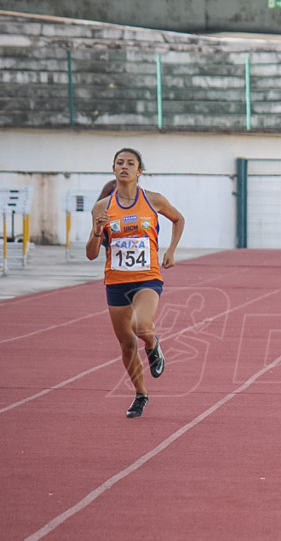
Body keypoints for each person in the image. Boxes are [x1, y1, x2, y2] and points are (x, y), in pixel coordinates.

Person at [86, 148, 185, 418]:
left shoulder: (153, 200)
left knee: (142, 326)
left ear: (140, 170)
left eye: (131, 163)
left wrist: (171, 250)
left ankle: (153, 346)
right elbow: (92, 253)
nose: (125, 167)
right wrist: (97, 230)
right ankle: (140, 394)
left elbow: (179, 219)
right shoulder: (102, 207)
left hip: (147, 277)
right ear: (113, 169)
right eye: (120, 163)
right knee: (127, 343)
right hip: (116, 281)